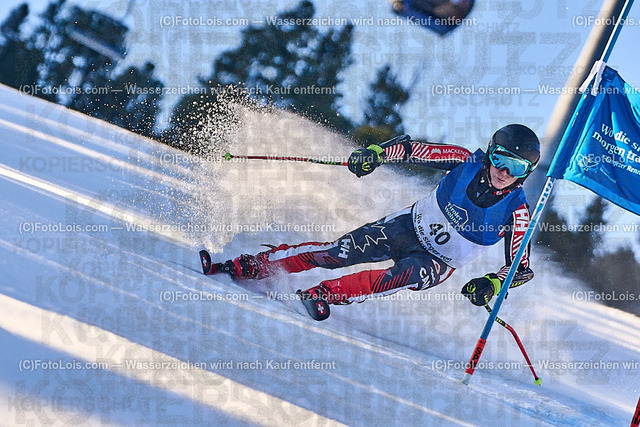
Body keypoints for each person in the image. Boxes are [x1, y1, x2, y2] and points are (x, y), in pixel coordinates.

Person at [201, 124, 539, 321]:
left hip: (437, 262)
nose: (503, 172)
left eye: (517, 167)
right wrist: (376, 154)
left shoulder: (518, 212)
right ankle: (252, 265)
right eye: (500, 158)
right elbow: (412, 150)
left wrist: (493, 284)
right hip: (406, 227)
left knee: (392, 279)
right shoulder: (465, 160)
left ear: (526, 174)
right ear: (490, 152)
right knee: (336, 252)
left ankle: (323, 294)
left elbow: (520, 270)